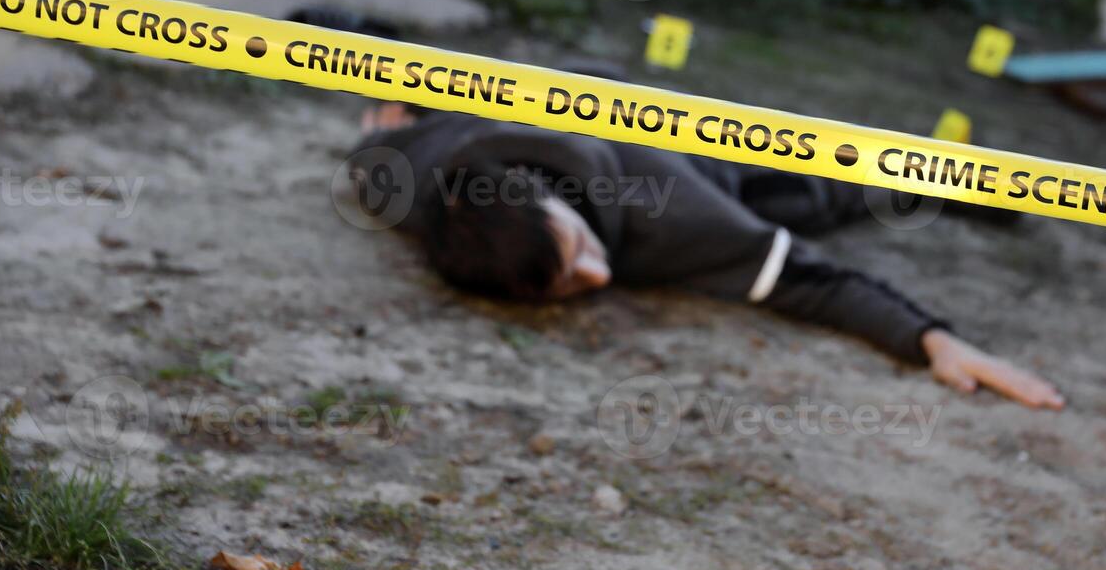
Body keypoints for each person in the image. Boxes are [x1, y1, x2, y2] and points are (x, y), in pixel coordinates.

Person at [348, 95, 1064, 411]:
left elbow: (816, 282)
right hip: (584, 111)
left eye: (579, 251)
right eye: (567, 288)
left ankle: (963, 172)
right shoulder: (418, 192)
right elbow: (374, 150)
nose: (599, 277)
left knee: (840, 187)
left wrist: (931, 338)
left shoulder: (678, 217)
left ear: (545, 194)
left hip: (711, 156)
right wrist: (380, 133)